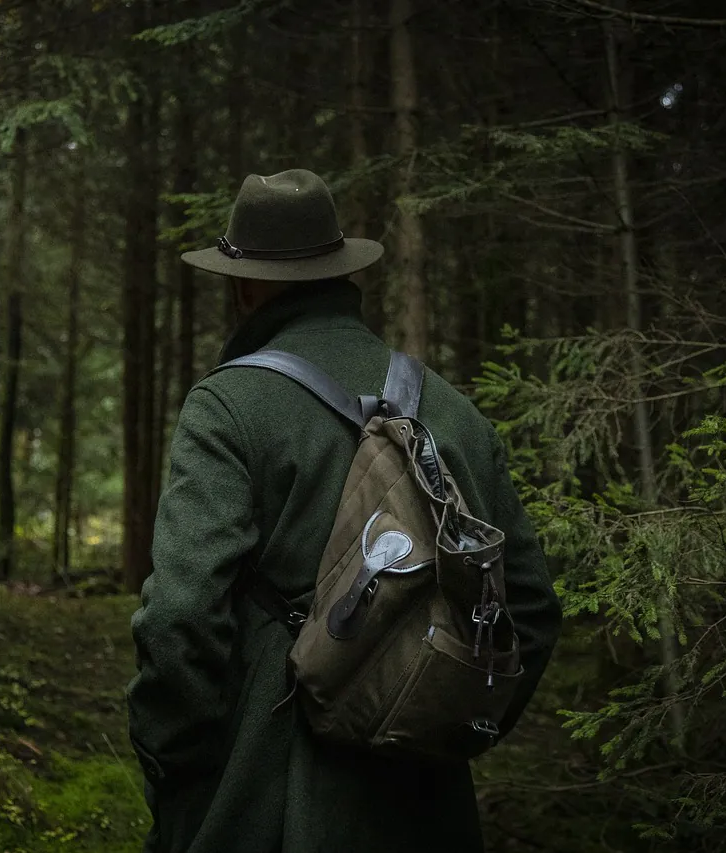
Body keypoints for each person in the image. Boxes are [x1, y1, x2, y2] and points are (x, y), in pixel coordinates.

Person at [126, 168, 563, 853]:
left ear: (245, 285)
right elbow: (531, 608)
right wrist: (446, 720)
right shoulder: (454, 410)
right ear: (338, 273)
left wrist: (175, 759)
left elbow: (181, 617)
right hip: (428, 803)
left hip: (264, 789)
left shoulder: (228, 405)